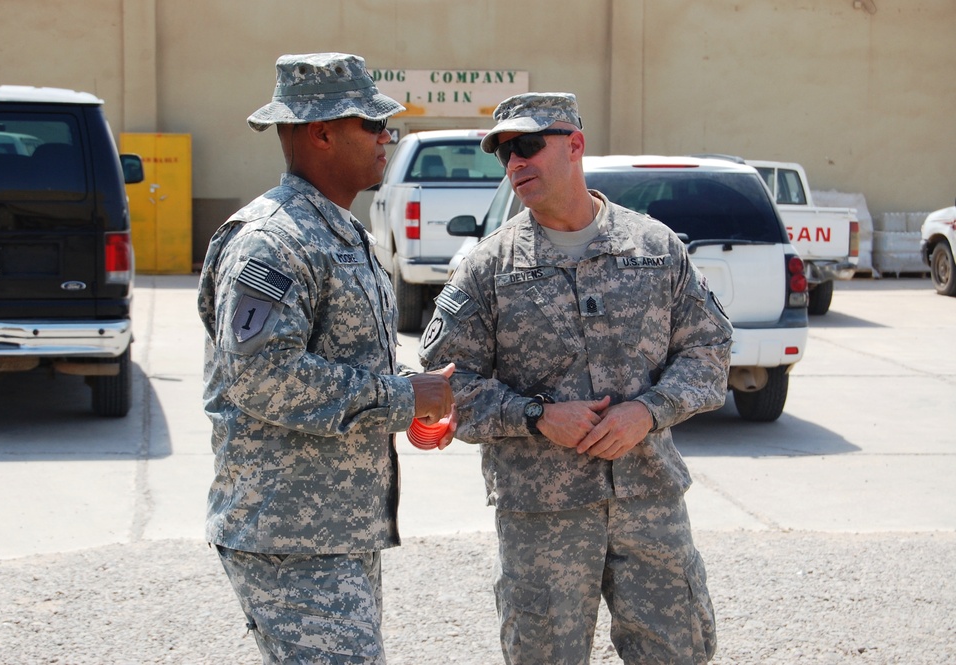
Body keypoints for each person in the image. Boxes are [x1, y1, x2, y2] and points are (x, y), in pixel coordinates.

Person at [418, 92, 732, 664]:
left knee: (677, 651)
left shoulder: (656, 249)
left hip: (648, 500)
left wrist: (649, 410)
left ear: (575, 145)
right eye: (504, 152)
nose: (514, 162)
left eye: (527, 146)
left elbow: (709, 348)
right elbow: (444, 386)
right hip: (543, 515)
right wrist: (536, 417)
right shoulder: (488, 268)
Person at [197, 52, 456, 664]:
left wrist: (411, 405)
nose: (385, 138)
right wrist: (401, 398)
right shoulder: (273, 241)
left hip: (337, 528)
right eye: (372, 125)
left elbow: (353, 357)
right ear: (321, 132)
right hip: (288, 533)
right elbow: (260, 376)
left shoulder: (346, 235)